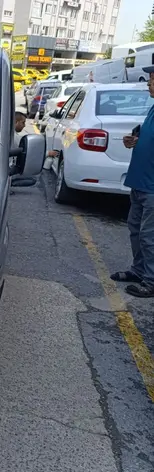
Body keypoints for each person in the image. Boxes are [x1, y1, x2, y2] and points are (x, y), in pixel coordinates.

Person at [111, 66, 154, 298]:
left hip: (152, 187)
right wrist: (135, 139)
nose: (148, 83)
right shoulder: (152, 108)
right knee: (135, 231)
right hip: (139, 182)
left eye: (152, 80)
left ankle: (151, 280)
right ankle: (138, 271)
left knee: (149, 235)